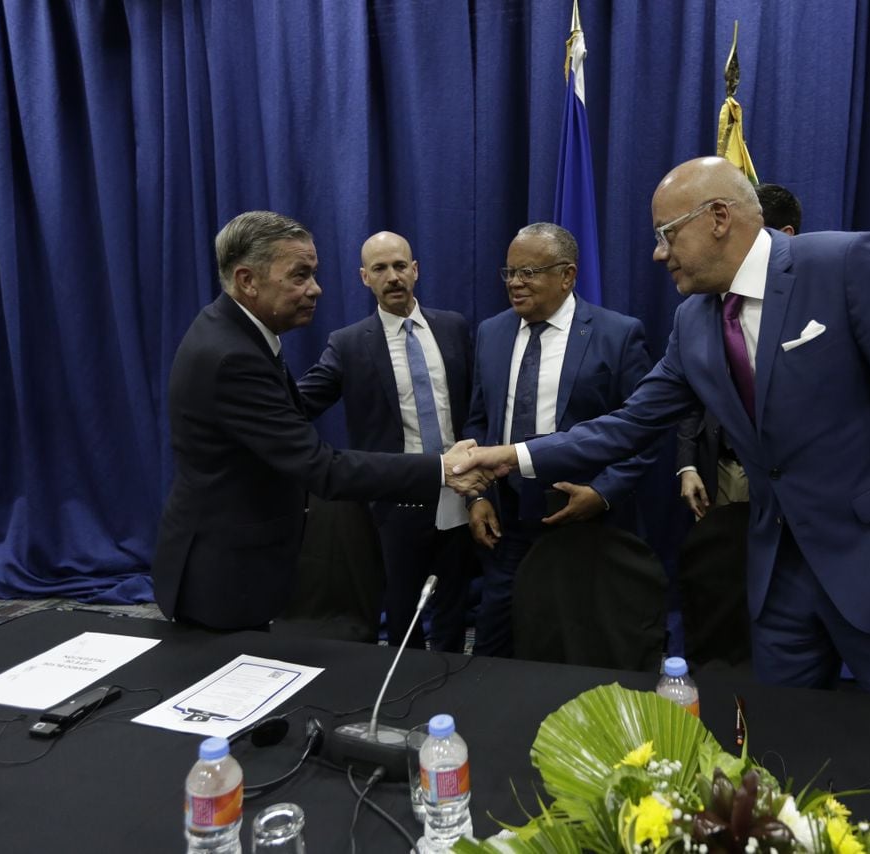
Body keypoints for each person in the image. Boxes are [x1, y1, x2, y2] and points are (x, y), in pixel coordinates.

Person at [457, 159, 870, 700]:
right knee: (785, 750)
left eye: (666, 234)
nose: (658, 253)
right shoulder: (693, 322)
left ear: (717, 217)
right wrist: (512, 457)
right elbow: (629, 423)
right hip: (778, 581)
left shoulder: (846, 264)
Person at [152, 212, 491, 631]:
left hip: (242, 558)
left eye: (313, 274)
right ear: (247, 280)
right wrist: (443, 468)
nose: (316, 289)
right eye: (300, 276)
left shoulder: (237, 333)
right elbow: (322, 467)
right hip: (225, 570)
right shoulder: (233, 356)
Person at [462, 222, 658, 658]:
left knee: (578, 648)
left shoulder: (618, 334)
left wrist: (602, 492)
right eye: (509, 273)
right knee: (495, 647)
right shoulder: (492, 333)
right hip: (508, 524)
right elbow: (478, 421)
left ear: (567, 275)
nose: (515, 283)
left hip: (585, 524)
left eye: (529, 272)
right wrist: (476, 497)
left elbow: (643, 430)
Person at [296, 231, 476, 651]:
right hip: (396, 500)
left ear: (415, 270)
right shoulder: (348, 344)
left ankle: (453, 684)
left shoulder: (453, 328)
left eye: (399, 266)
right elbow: (299, 405)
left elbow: (475, 404)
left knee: (454, 600)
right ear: (364, 277)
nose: (392, 276)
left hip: (462, 490)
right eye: (380, 269)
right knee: (402, 611)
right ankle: (404, 688)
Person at [677, 183, 802, 518]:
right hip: (726, 469)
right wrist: (687, 465)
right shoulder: (699, 310)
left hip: (812, 490)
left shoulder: (828, 280)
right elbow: (684, 396)